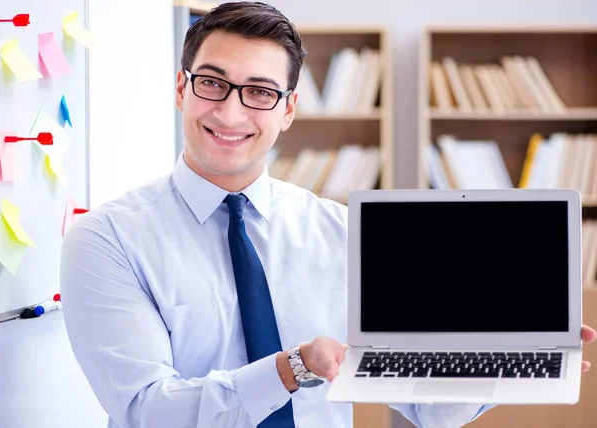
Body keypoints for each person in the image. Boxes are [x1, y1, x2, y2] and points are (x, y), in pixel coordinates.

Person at [60, 2, 597, 428]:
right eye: (212, 82)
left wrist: (499, 363)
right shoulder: (107, 239)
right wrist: (291, 369)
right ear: (182, 88)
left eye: (261, 92)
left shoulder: (343, 232)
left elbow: (429, 412)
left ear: (289, 109)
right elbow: (149, 411)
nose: (230, 111)